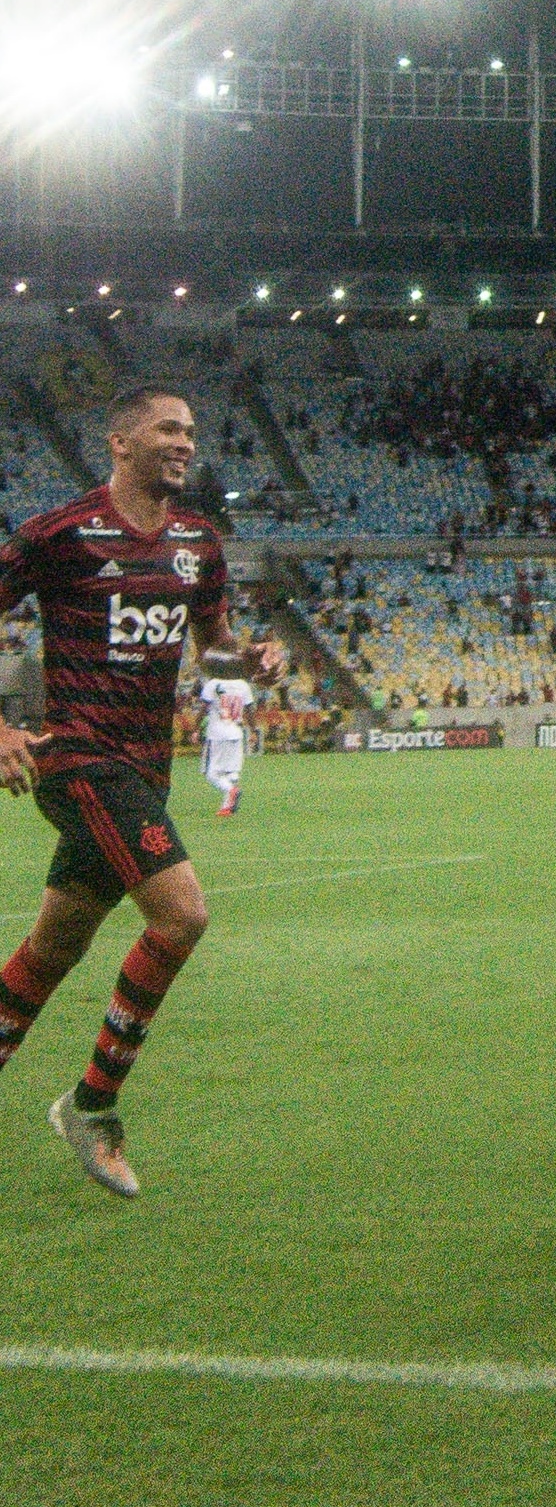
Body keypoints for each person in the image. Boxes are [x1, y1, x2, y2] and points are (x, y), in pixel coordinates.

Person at [0, 385, 285, 1199]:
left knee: (53, 948)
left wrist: (249, 663)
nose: (185, 442)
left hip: (143, 771)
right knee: (183, 915)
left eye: (192, 430)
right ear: (120, 441)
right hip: (81, 761)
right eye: (169, 427)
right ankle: (92, 1105)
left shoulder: (200, 541)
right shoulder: (62, 533)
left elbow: (212, 652)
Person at [199, 656, 258, 814]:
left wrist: (195, 729)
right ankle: (227, 806)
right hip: (236, 733)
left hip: (217, 733)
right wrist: (253, 731)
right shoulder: (243, 685)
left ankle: (231, 791)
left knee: (211, 773)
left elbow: (203, 708)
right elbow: (250, 710)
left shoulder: (213, 684)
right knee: (232, 772)